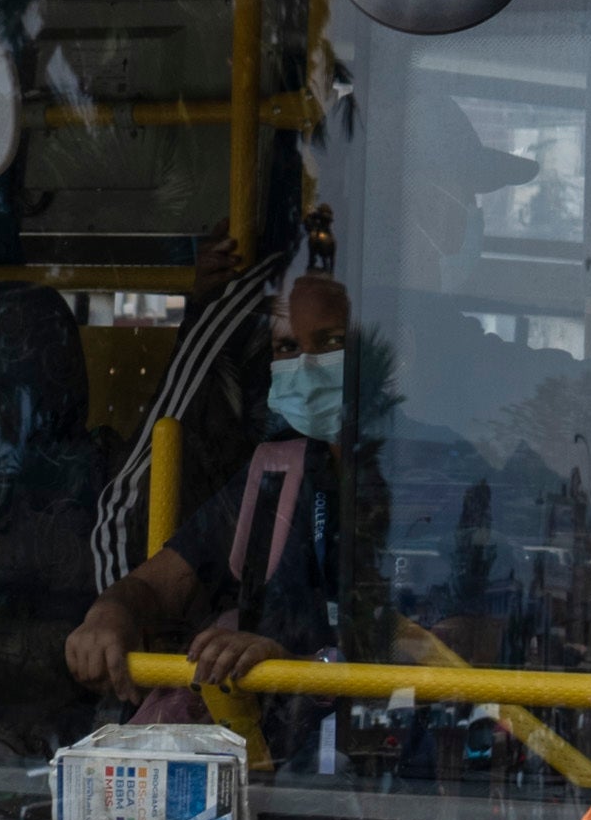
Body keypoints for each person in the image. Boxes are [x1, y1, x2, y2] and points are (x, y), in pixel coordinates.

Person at [66, 270, 370, 700]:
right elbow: (156, 586)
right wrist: (110, 613)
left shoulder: (439, 471)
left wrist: (296, 668)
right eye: (286, 347)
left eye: (331, 341)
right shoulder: (277, 471)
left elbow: (451, 644)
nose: (305, 365)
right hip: (274, 754)